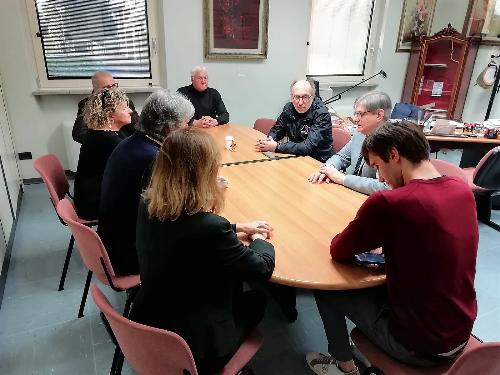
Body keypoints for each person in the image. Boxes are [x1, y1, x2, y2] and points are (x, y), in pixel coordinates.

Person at [306, 121, 478, 375]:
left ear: (394, 155)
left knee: (327, 290)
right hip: (461, 330)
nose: (379, 177)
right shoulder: (460, 188)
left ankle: (344, 366)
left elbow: (338, 249)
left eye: (377, 166)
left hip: (420, 346)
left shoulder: (389, 202)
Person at [131, 128, 275, 375]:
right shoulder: (211, 227)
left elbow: (186, 231)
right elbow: (261, 268)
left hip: (150, 321)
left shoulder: (148, 203)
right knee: (258, 299)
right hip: (198, 347)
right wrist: (261, 238)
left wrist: (237, 227)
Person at [97, 90, 194, 276]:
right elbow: (175, 215)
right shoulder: (154, 159)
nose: (188, 130)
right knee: (208, 249)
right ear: (169, 128)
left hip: (111, 243)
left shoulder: (130, 143)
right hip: (131, 254)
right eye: (185, 124)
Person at [308, 91, 392, 195]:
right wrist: (326, 169)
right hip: (348, 192)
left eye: (360, 114)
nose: (355, 120)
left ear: (379, 115)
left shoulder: (392, 143)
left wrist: (342, 178)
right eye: (356, 114)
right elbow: (341, 157)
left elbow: (386, 187)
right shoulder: (360, 133)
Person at [73, 88, 132, 221]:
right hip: (94, 205)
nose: (130, 111)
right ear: (110, 115)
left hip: (87, 197)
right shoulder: (108, 140)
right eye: (124, 109)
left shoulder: (97, 132)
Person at [255, 79, 333, 162]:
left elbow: (307, 147)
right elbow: (277, 129)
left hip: (318, 161)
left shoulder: (322, 115)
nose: (300, 102)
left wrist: (277, 147)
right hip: (296, 157)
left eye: (305, 97)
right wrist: (270, 139)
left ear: (312, 97)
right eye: (296, 97)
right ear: (292, 97)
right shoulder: (289, 108)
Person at [72, 71, 139, 143]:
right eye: (107, 87)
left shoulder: (125, 101)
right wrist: (102, 142)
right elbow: (79, 134)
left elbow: (138, 126)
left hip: (126, 142)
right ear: (95, 90)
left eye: (113, 86)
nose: (112, 90)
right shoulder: (87, 104)